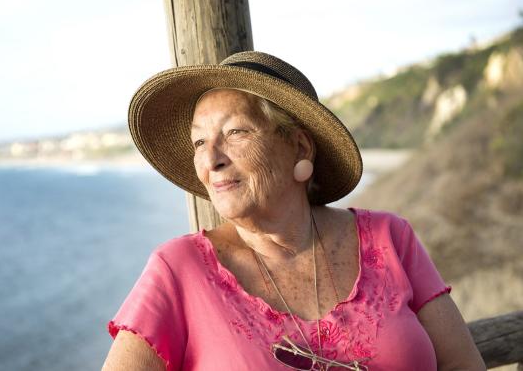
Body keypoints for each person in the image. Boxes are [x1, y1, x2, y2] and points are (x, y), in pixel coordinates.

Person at [102, 51, 485, 370]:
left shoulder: (390, 238)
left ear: (300, 148)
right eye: (199, 141)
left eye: (236, 132)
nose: (211, 159)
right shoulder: (178, 269)